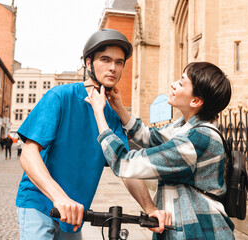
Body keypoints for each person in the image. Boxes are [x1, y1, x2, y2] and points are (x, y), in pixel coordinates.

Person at [16, 29, 170, 240]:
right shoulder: (60, 97)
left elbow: (125, 167)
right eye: (105, 60)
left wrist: (149, 207)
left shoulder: (111, 115)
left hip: (76, 212)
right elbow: (28, 153)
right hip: (40, 203)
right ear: (88, 64)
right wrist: (60, 198)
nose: (113, 68)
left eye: (119, 62)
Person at [86, 61, 235, 239]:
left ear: (195, 101)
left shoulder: (198, 139)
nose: (173, 84)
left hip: (199, 231)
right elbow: (148, 137)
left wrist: (99, 113)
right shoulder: (185, 127)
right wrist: (118, 106)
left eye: (181, 83)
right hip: (181, 227)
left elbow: (124, 163)